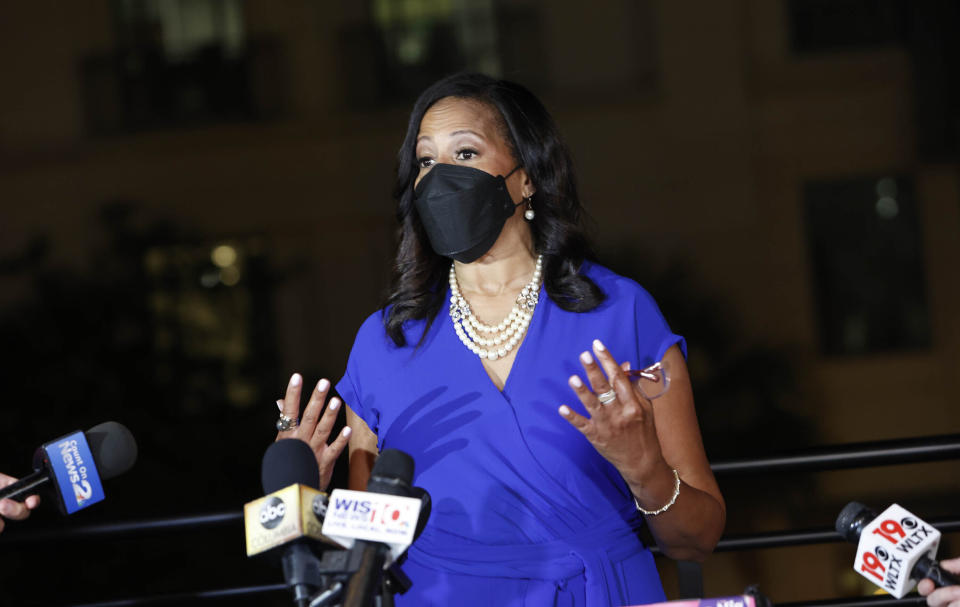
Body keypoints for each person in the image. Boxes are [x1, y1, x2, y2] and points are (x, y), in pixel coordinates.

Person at [281, 72, 725, 605]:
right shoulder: (384, 343)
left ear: (527, 177)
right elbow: (369, 552)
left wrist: (645, 467)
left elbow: (697, 541)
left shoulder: (621, 313)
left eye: (465, 154)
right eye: (426, 161)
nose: (441, 176)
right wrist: (303, 499)